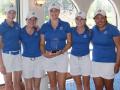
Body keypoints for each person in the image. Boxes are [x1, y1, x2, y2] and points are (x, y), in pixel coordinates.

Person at [40, 2, 72, 90]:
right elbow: (42, 43)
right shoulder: (44, 26)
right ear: (49, 12)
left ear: (59, 11)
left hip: (62, 56)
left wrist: (62, 51)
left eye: (56, 10)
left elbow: (69, 42)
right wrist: (44, 54)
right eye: (51, 10)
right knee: (53, 85)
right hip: (49, 56)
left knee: (62, 85)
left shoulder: (65, 25)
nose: (54, 13)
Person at [91, 9, 120, 90]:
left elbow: (119, 47)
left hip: (109, 63)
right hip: (96, 63)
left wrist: (118, 63)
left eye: (102, 17)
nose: (99, 20)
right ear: (94, 19)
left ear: (106, 18)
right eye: (97, 18)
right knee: (98, 87)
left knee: (109, 87)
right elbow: (93, 43)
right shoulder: (93, 29)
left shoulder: (113, 29)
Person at [20, 11, 44, 90]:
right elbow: (16, 44)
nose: (32, 21)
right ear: (26, 20)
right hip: (26, 61)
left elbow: (43, 43)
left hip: (38, 60)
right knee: (28, 87)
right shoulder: (21, 31)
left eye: (34, 20)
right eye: (30, 19)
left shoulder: (39, 30)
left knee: (37, 87)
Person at [0, 4, 22, 90]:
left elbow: (21, 40)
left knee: (17, 83)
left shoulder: (17, 25)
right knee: (8, 84)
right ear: (6, 13)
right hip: (6, 56)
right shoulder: (1, 27)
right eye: (10, 12)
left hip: (17, 56)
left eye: (14, 13)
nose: (12, 15)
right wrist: (1, 64)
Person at [69, 11, 91, 90]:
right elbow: (59, 33)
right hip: (74, 59)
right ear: (75, 20)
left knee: (86, 85)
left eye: (82, 19)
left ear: (85, 20)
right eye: (77, 19)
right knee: (78, 85)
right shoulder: (71, 30)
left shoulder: (89, 32)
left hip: (85, 59)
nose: (79, 21)